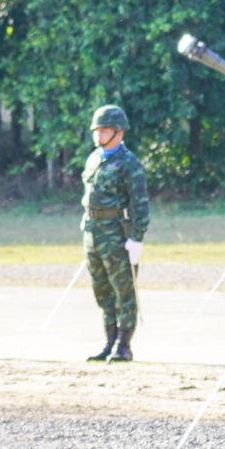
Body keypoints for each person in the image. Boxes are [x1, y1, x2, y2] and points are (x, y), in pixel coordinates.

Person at [79, 104, 150, 363]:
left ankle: (124, 344)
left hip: (117, 234)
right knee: (102, 289)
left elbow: (140, 203)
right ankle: (109, 341)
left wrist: (137, 237)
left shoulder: (129, 163)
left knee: (123, 290)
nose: (98, 135)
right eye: (96, 130)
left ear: (119, 133)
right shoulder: (93, 159)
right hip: (94, 232)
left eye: (105, 130)